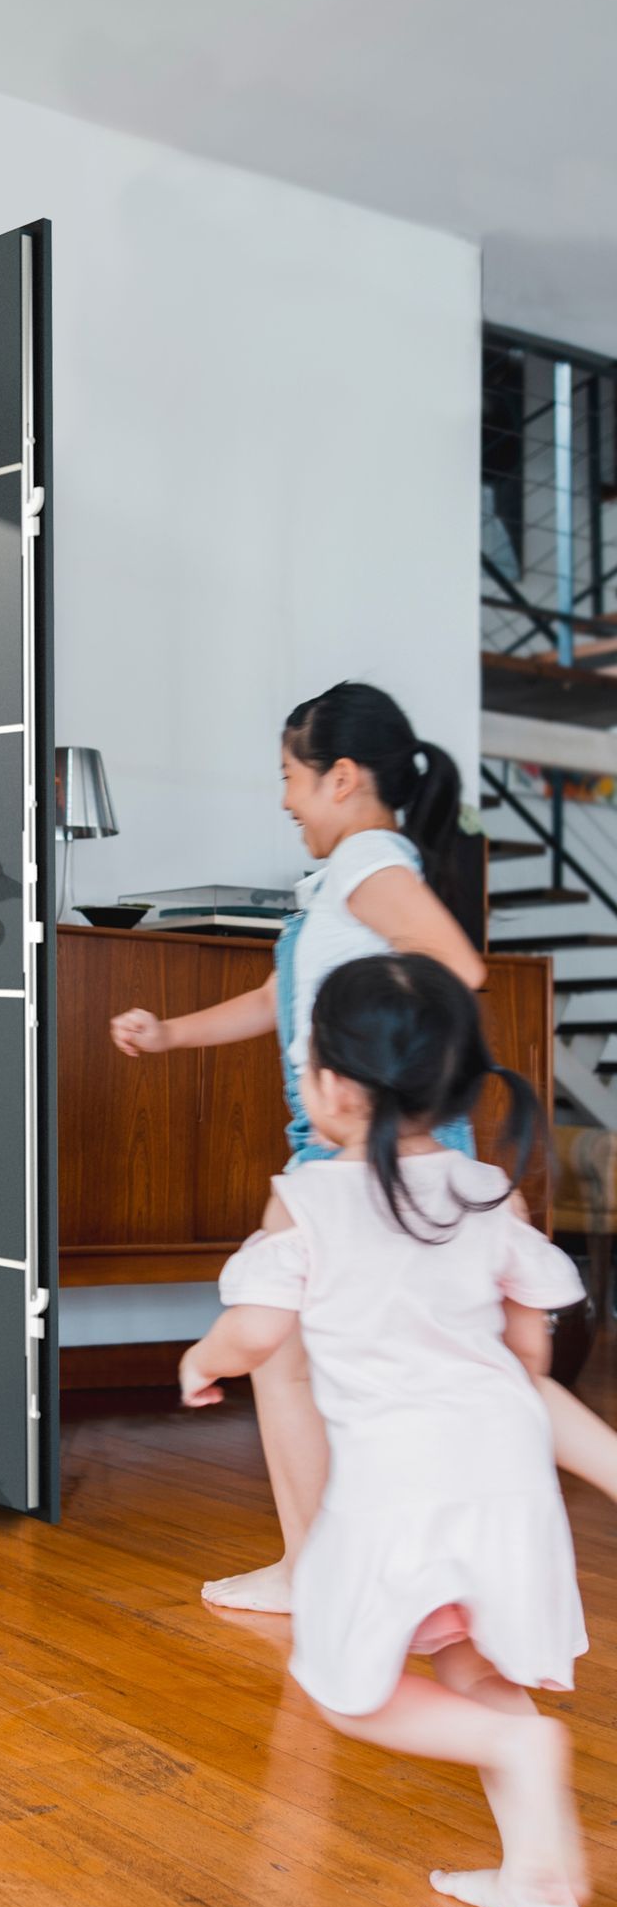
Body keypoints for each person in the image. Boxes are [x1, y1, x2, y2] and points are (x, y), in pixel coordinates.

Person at [111, 680, 617, 1612]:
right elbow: (282, 999)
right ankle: (360, 1562)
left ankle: (319, 1567)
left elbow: (456, 968)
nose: (283, 799)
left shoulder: (365, 867)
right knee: (424, 1360)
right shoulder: (344, 881)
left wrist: (368, 1085)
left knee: (295, 1347)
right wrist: (171, 1034)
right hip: (365, 1133)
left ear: (342, 777)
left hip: (360, 1141)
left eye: (290, 778)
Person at [180, 955, 588, 1907]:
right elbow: (529, 1350)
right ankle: (535, 1873)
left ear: (331, 1084)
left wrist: (205, 1356)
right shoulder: (490, 1191)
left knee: (343, 1689)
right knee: (474, 1667)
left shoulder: (313, 1200)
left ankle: (525, 1761)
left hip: (395, 1494)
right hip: (506, 1488)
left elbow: (256, 1332)